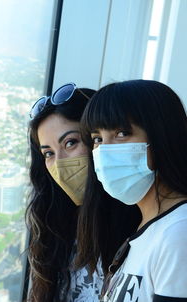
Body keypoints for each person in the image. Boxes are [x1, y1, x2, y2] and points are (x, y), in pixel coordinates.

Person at [26, 83, 141, 302]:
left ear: (98, 140)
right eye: (48, 153)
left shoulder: (141, 227)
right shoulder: (56, 228)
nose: (59, 163)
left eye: (71, 143)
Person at [78, 79, 187, 302]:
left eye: (121, 133)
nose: (104, 151)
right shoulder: (148, 228)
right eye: (97, 139)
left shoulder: (179, 232)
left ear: (162, 136)